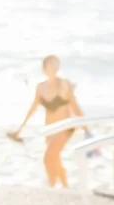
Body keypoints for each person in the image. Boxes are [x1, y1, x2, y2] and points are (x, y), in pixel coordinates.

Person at [9, 55, 84, 188]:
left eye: (56, 64)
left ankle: (52, 187)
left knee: (48, 158)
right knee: (55, 159)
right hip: (49, 129)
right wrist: (21, 127)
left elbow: (74, 106)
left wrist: (86, 128)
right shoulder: (40, 87)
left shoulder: (65, 84)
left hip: (65, 128)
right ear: (44, 67)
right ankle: (66, 187)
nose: (54, 67)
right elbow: (32, 108)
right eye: (51, 64)